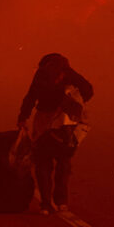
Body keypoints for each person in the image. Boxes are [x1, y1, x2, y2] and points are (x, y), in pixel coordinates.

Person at [17, 53, 93, 215]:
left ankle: (46, 203)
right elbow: (88, 90)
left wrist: (23, 117)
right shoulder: (68, 72)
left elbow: (31, 97)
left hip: (44, 122)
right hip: (65, 124)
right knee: (64, 162)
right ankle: (61, 201)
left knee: (43, 162)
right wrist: (75, 99)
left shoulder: (41, 75)